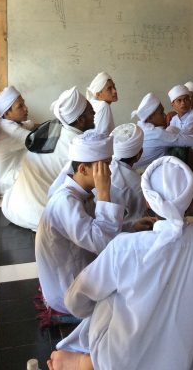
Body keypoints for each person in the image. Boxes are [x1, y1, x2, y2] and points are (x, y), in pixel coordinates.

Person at [48, 156, 193, 370]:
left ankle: (87, 362)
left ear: (149, 203)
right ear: (192, 203)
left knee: (107, 293)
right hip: (182, 364)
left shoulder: (123, 247)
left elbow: (75, 300)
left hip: (117, 363)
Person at [35, 130, 124, 315]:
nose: (109, 172)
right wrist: (104, 193)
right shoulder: (65, 202)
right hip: (67, 294)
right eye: (104, 166)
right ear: (83, 169)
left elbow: (95, 228)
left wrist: (131, 226)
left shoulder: (79, 193)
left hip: (78, 273)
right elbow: (102, 244)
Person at [2, 87, 95, 230]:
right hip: (39, 216)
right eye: (91, 111)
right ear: (81, 120)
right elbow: (95, 185)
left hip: (13, 209)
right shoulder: (78, 146)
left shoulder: (54, 127)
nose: (95, 113)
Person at [131, 92, 193, 170]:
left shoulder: (140, 127)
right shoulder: (157, 134)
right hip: (141, 171)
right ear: (150, 118)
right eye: (161, 113)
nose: (165, 115)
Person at [0, 86, 34, 196]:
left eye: (24, 103)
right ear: (7, 113)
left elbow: (30, 124)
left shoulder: (6, 123)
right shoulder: (12, 131)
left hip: (5, 179)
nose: (26, 108)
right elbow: (39, 141)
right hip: (7, 186)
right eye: (20, 106)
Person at [109, 123, 152, 230]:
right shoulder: (138, 185)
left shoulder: (102, 166)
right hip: (125, 231)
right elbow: (139, 217)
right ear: (139, 154)